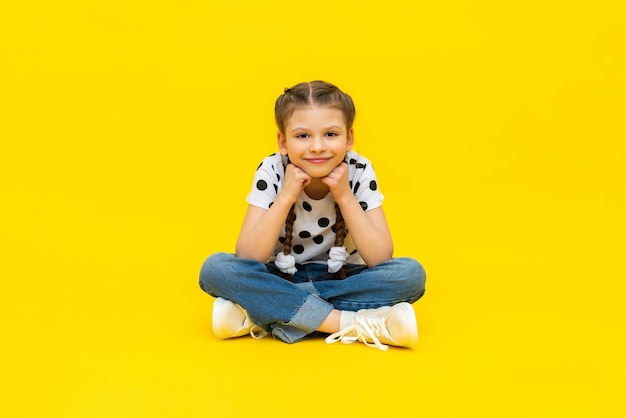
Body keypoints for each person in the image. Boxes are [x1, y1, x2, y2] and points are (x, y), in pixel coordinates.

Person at [199, 80, 426, 351]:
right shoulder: (272, 169)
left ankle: (262, 313)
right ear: (283, 142)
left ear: (349, 138)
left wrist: (344, 195)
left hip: (344, 278)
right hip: (281, 276)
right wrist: (286, 196)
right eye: (302, 136)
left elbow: (380, 258)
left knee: (410, 274)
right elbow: (249, 257)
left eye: (331, 134)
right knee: (216, 269)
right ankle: (344, 322)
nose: (317, 147)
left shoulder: (360, 169)